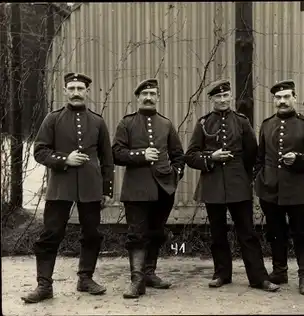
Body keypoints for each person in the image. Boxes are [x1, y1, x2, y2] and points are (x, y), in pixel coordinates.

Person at [22, 73, 114, 303]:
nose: (75, 93)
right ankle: (44, 285)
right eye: (71, 88)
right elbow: (40, 151)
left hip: (91, 187)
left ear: (87, 91)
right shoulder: (52, 119)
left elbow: (107, 158)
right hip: (60, 187)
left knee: (92, 234)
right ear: (64, 91)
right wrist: (65, 159)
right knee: (51, 234)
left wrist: (107, 190)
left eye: (80, 88)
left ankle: (86, 279)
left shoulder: (98, 121)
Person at [184, 79, 279, 292]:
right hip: (213, 184)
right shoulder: (203, 123)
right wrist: (211, 157)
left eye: (226, 95)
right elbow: (190, 156)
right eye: (218, 96)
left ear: (230, 97)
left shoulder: (242, 122)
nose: (223, 100)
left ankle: (258, 278)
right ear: (211, 99)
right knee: (217, 233)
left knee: (247, 233)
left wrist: (243, 177)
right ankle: (221, 274)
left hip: (238, 185)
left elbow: (252, 154)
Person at [112, 78, 185, 299]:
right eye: (144, 94)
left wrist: (174, 177)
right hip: (136, 190)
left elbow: (178, 156)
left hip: (163, 191)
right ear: (137, 98)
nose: (148, 97)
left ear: (158, 97)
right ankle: (137, 280)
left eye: (152, 94)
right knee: (137, 235)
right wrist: (141, 155)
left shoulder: (166, 124)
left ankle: (149, 273)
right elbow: (116, 153)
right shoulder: (127, 123)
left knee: (156, 232)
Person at [254, 79, 304, 295]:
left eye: (286, 97)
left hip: (296, 190)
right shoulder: (266, 124)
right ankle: (280, 271)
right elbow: (260, 157)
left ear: (294, 98)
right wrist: (260, 179)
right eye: (278, 97)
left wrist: (299, 158)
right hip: (270, 190)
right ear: (274, 100)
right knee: (275, 233)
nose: (282, 101)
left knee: (302, 234)